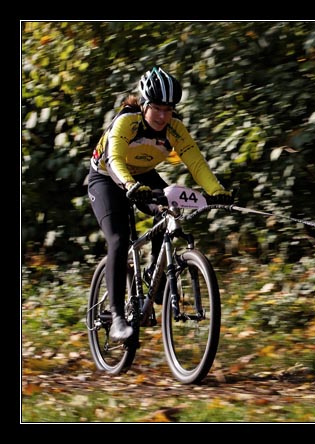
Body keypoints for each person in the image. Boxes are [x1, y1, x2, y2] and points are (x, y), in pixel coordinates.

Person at [87, 66, 233, 341]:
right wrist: (130, 186)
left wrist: (217, 191)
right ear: (144, 105)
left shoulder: (175, 130)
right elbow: (115, 159)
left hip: (141, 175)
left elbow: (196, 163)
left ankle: (156, 270)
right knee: (118, 240)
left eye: (169, 109)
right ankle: (118, 316)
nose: (164, 116)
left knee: (168, 206)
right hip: (107, 177)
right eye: (157, 109)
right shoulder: (127, 122)